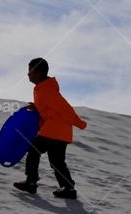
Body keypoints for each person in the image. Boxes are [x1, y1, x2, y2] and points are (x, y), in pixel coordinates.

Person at [14, 57, 88, 199]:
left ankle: (31, 182)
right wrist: (36, 107)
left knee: (33, 149)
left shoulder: (46, 89)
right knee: (57, 161)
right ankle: (68, 188)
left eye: (30, 71)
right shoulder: (44, 88)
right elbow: (49, 109)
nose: (28, 74)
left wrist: (79, 123)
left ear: (39, 73)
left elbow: (64, 108)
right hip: (61, 132)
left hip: (54, 129)